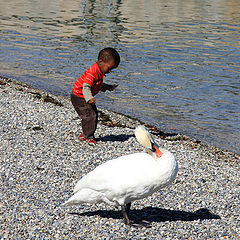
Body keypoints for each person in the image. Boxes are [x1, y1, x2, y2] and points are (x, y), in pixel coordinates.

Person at [70, 47, 120, 145]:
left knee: (93, 115)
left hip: (84, 96)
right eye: (109, 68)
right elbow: (86, 86)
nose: (110, 71)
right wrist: (89, 99)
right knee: (89, 116)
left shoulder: (99, 71)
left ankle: (85, 133)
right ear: (101, 61)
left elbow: (97, 84)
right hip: (79, 97)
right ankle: (87, 136)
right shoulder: (92, 72)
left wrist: (107, 87)